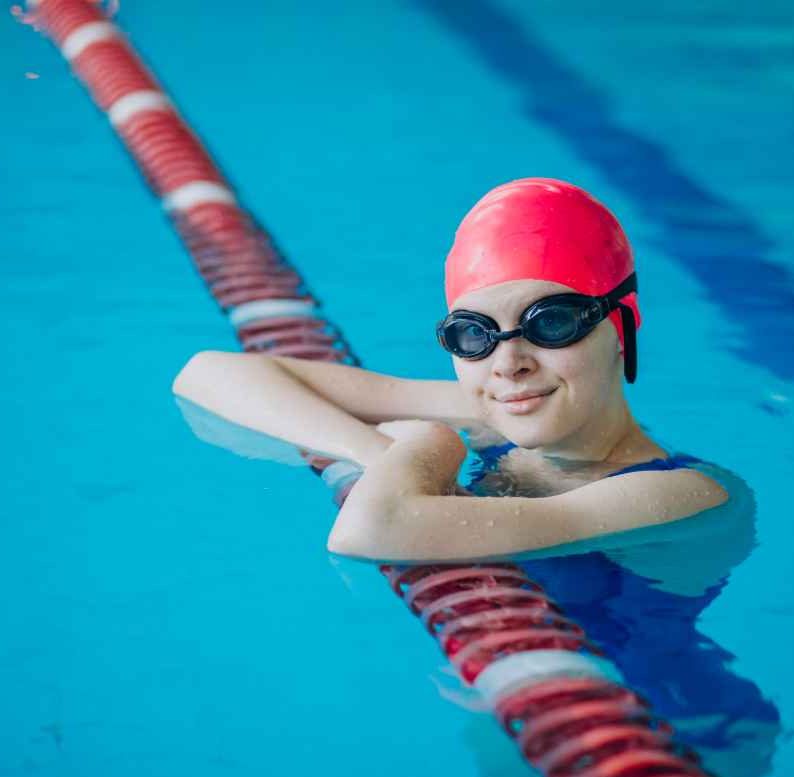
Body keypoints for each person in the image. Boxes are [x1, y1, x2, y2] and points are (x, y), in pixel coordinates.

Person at [172, 177, 728, 563]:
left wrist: (425, 445)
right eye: (474, 335)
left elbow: (372, 529)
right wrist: (370, 449)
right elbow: (208, 373)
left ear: (622, 324)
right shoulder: (490, 414)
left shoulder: (677, 491)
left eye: (552, 323)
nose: (509, 363)